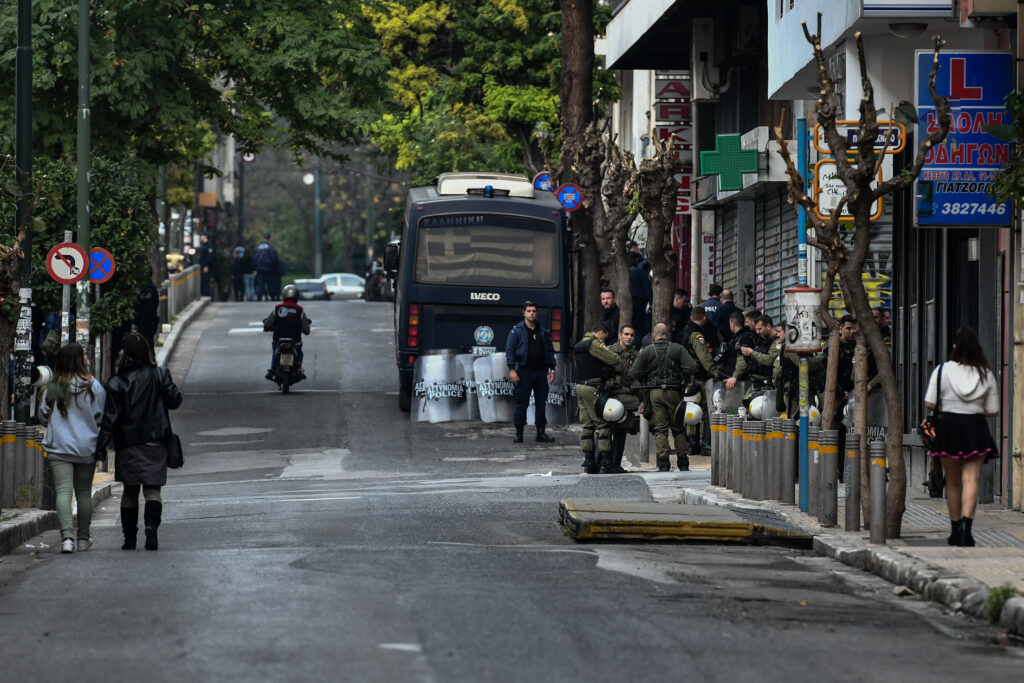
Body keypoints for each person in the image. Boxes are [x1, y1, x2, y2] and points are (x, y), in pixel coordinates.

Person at [97, 333, 183, 551]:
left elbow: (110, 419)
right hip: (156, 442)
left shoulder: (117, 383)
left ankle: (129, 539)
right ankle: (151, 525)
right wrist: (165, 385)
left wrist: (100, 447)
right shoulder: (160, 374)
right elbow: (175, 401)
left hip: (128, 444)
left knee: (130, 491)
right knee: (153, 490)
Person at [924, 327, 1000, 547]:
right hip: (976, 427)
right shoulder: (985, 373)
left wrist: (950, 404)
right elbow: (993, 409)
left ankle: (955, 529)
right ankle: (968, 530)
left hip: (949, 426)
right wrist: (974, 407)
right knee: (971, 480)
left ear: (955, 346)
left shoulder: (942, 371)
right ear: (977, 347)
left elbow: (929, 402)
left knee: (954, 483)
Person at [39, 343, 106, 553]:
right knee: (84, 493)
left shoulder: (52, 386)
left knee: (63, 491)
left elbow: (42, 414)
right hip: (86, 446)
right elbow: (100, 415)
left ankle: (67, 538)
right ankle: (84, 539)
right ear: (80, 360)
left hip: (59, 445)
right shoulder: (94, 386)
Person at [629, 322, 698, 471]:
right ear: (667, 335)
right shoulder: (677, 349)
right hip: (674, 392)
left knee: (660, 429)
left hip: (654, 393)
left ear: (654, 335)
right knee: (678, 428)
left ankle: (663, 462)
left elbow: (633, 373)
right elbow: (692, 367)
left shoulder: (647, 351)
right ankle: (683, 461)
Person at [572, 321, 621, 474]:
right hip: (593, 388)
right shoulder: (594, 344)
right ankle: (606, 460)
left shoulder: (579, 345)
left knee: (587, 425)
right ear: (601, 333)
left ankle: (589, 460)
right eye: (604, 338)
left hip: (580, 387)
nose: (604, 341)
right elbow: (614, 359)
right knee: (603, 424)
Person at [505, 301, 557, 444]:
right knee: (522, 403)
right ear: (524, 313)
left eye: (534, 311)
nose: (532, 313)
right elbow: (510, 350)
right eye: (529, 311)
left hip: (541, 372)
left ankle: (541, 433)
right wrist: (511, 369)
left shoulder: (543, 331)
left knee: (541, 403)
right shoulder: (517, 331)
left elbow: (550, 351)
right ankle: (519, 433)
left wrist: (552, 369)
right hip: (524, 371)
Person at [680, 306, 721, 455]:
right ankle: (706, 444)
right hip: (700, 378)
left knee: (691, 410)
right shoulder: (697, 335)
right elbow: (704, 357)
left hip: (688, 379)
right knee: (705, 411)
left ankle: (692, 444)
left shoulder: (684, 332)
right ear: (703, 318)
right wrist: (716, 372)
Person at [606, 324, 640, 473]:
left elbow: (639, 378)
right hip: (611, 397)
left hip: (628, 399)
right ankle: (604, 463)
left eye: (631, 335)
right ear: (620, 335)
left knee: (621, 433)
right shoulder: (609, 352)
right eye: (626, 334)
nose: (629, 337)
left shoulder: (636, 355)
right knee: (606, 432)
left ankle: (616, 464)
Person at [263, 284, 312, 380]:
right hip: (296, 342)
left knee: (275, 351)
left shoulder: (277, 309)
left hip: (278, 341)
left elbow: (267, 325)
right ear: (296, 296)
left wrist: (267, 327)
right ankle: (298, 368)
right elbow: (306, 330)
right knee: (300, 353)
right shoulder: (300, 310)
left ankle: (273, 368)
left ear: (284, 295)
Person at [723, 311, 757, 391]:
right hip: (734, 379)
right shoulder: (739, 338)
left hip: (739, 381)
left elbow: (742, 360)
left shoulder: (744, 338)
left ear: (732, 323)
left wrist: (735, 376)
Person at [252, 232, 282, 301]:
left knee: (260, 284)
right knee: (270, 284)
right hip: (269, 269)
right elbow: (274, 259)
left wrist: (254, 268)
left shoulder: (257, 248)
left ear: (263, 238)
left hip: (259, 269)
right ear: (269, 238)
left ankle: (259, 297)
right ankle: (272, 297)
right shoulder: (271, 248)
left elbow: (253, 258)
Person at [629, 255, 653, 340]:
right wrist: (651, 301)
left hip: (629, 304)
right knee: (640, 328)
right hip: (639, 304)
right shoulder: (640, 272)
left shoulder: (625, 273)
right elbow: (647, 290)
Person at [198, 232, 215, 297]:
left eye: (202, 235)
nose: (200, 237)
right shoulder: (203, 245)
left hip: (206, 267)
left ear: (205, 236)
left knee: (206, 281)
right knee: (203, 281)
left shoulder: (209, 245)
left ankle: (206, 295)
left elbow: (210, 256)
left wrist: (206, 265)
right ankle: (204, 294)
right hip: (202, 266)